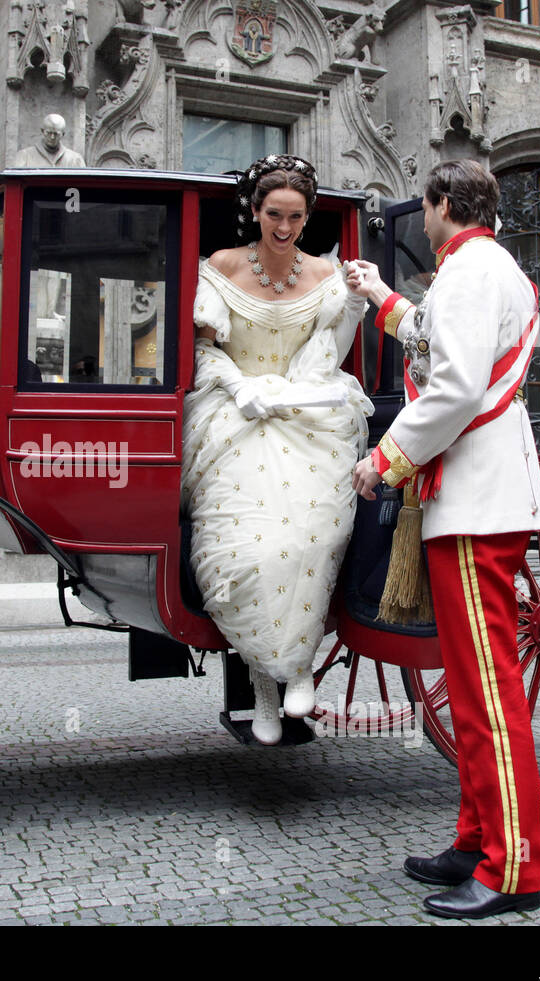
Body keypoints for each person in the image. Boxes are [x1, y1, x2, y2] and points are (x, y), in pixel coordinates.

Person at [347, 158, 540, 919]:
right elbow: (439, 342)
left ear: (439, 206)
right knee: (469, 688)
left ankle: (512, 871)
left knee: (488, 692)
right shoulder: (489, 267)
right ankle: (475, 841)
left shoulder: (467, 269)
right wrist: (381, 298)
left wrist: (386, 459)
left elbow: (454, 385)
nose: (421, 223)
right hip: (479, 494)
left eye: (424, 209)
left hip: (474, 499)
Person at [182, 155, 372, 746]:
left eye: (294, 217)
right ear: (256, 212)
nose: (284, 229)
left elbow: (330, 354)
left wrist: (360, 305)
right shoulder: (222, 266)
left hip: (306, 412)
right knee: (247, 549)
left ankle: (298, 666)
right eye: (273, 216)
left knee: (313, 533)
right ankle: (267, 687)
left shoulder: (324, 277)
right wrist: (239, 387)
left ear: (308, 216)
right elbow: (203, 351)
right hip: (231, 412)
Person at [12, 113, 86, 168]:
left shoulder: (75, 159)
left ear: (63, 134)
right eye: (49, 133)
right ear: (42, 131)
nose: (52, 137)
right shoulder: (25, 156)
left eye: (56, 134)